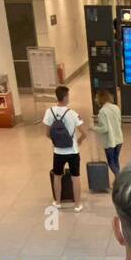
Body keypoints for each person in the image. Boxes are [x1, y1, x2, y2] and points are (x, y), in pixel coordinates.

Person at [43, 84, 86, 212]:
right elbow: (85, 133)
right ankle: (77, 204)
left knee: (57, 176)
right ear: (66, 97)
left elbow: (47, 133)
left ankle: (57, 202)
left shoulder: (49, 112)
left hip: (58, 151)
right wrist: (78, 141)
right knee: (75, 177)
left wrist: (56, 141)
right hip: (72, 151)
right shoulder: (72, 113)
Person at [93, 89, 123, 177]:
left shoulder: (102, 112)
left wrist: (93, 128)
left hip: (109, 140)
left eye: (96, 98)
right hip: (119, 138)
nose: (95, 99)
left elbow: (104, 129)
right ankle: (118, 178)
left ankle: (119, 178)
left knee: (111, 161)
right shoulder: (116, 107)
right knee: (116, 159)